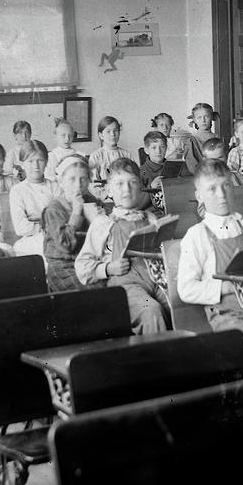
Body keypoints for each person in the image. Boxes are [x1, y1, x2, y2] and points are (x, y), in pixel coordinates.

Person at [177, 159, 243, 377]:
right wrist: (226, 287)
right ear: (199, 195)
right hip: (227, 314)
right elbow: (186, 288)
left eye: (226, 185)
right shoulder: (197, 235)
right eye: (212, 189)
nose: (221, 194)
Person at [75, 158, 169, 334]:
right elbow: (82, 268)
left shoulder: (150, 219)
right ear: (109, 190)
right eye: (119, 184)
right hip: (124, 288)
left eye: (133, 182)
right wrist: (109, 268)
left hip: (156, 282)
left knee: (181, 305)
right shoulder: (104, 223)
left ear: (140, 187)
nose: (127, 189)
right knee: (151, 311)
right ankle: (159, 359)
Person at [42, 154, 104, 291]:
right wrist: (76, 213)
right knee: (90, 294)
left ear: (89, 181)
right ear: (61, 182)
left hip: (89, 261)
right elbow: (65, 246)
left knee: (113, 288)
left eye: (83, 179)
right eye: (72, 179)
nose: (78, 185)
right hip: (64, 265)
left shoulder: (92, 201)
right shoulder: (54, 209)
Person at [8, 140, 60, 257]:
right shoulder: (18, 191)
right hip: (30, 239)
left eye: (40, 160)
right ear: (22, 164)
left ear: (46, 162)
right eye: (30, 161)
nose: (35, 166)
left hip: (56, 235)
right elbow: (21, 227)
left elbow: (62, 217)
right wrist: (44, 227)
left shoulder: (55, 187)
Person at [88, 116, 134, 184]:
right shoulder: (96, 156)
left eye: (115, 130)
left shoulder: (127, 155)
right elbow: (93, 183)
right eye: (108, 131)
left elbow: (134, 178)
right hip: (104, 193)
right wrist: (108, 194)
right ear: (101, 135)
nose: (113, 134)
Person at [44, 118, 78, 182]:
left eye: (70, 135)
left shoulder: (78, 154)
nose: (67, 139)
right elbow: (48, 177)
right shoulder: (52, 156)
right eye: (63, 135)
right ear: (56, 137)